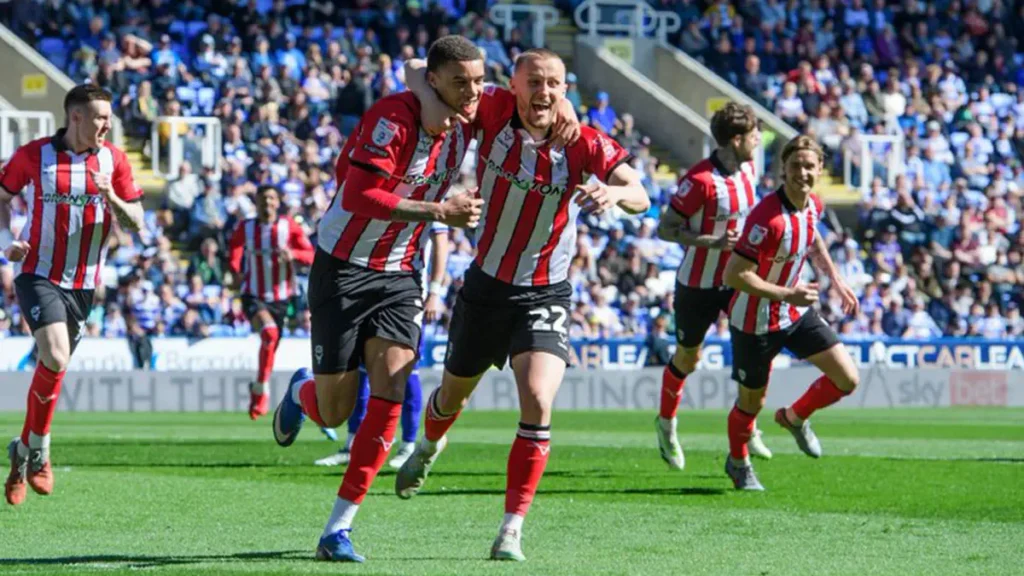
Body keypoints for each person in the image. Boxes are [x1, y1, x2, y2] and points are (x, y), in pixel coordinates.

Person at [398, 48, 649, 561]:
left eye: (554, 83)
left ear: (565, 88)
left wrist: (612, 193)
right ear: (512, 85)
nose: (545, 93)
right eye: (534, 82)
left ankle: (511, 527)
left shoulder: (583, 142)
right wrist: (435, 105)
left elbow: (641, 191)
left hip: (546, 292)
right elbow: (412, 71)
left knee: (537, 400)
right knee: (451, 398)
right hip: (486, 287)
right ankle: (427, 445)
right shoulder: (489, 108)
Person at [268, 36, 486, 564]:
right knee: (337, 408)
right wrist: (439, 212)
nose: (474, 91)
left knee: (391, 388)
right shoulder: (391, 117)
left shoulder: (471, 113)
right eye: (461, 82)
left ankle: (337, 530)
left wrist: (564, 106)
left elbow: (528, 100)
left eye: (478, 80)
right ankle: (301, 393)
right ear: (436, 81)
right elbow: (362, 197)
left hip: (399, 276)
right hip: (341, 267)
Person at [1, 84, 145, 506]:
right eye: (100, 116)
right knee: (57, 356)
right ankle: (41, 451)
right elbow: (2, 199)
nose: (108, 124)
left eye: (109, 117)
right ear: (75, 117)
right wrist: (6, 240)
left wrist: (111, 195)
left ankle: (21, 453)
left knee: (52, 367)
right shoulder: (34, 156)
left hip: (84, 284)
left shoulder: (113, 161)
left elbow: (136, 220)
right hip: (38, 273)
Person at [722, 135, 860, 491]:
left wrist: (836, 279)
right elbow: (734, 274)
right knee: (750, 405)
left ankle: (794, 417)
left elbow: (813, 240)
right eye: (795, 165)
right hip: (754, 321)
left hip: (793, 313)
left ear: (820, 170)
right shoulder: (765, 218)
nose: (802, 172)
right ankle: (738, 462)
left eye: (809, 166)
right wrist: (788, 293)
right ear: (782, 169)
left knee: (847, 378)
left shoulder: (812, 205)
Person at [654, 102, 772, 470]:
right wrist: (713, 242)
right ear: (736, 140)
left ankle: (748, 426)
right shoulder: (701, 181)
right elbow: (665, 229)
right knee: (689, 358)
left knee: (755, 352)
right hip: (698, 283)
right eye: (753, 135)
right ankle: (666, 424)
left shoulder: (750, 169)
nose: (758, 140)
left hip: (740, 280)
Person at [314, 225, 450, 468]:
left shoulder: (429, 191)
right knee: (361, 373)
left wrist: (434, 292)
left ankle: (408, 445)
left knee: (403, 372)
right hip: (364, 287)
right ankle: (353, 443)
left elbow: (440, 240)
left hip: (406, 293)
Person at [227, 185, 315, 420]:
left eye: (272, 198)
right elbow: (234, 247)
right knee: (269, 333)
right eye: (263, 198)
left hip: (282, 297)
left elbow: (311, 255)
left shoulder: (289, 227)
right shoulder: (246, 227)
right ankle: (263, 392)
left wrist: (294, 255)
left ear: (278, 202)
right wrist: (235, 269)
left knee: (272, 344)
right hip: (253, 293)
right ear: (256, 202)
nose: (267, 202)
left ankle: (258, 387)